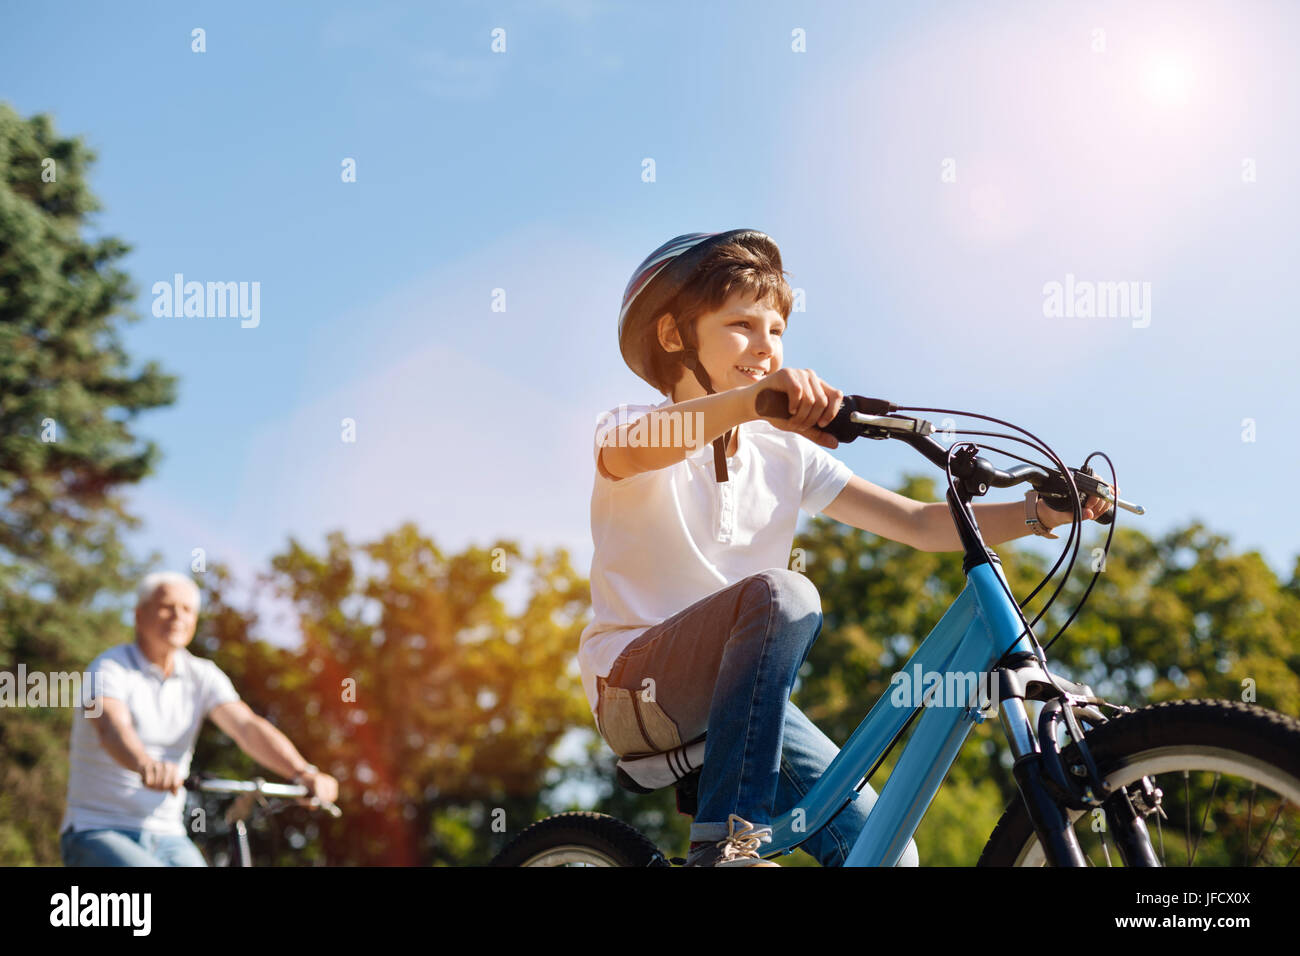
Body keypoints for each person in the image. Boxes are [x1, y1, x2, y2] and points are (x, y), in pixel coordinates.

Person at [581, 229, 1112, 867]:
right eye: (742, 325)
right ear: (674, 337)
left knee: (888, 850)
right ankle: (724, 844)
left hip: (740, 705)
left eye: (776, 330)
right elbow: (644, 447)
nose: (765, 345)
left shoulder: (784, 454)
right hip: (633, 690)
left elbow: (917, 522)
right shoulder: (630, 423)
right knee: (786, 594)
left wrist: (1039, 510)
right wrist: (753, 402)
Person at [59, 571, 339, 866]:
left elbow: (246, 727)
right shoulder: (108, 668)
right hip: (96, 829)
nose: (178, 616)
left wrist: (303, 772)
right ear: (140, 615)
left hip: (168, 834)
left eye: (187, 609)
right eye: (167, 606)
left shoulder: (202, 675)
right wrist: (144, 764)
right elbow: (111, 728)